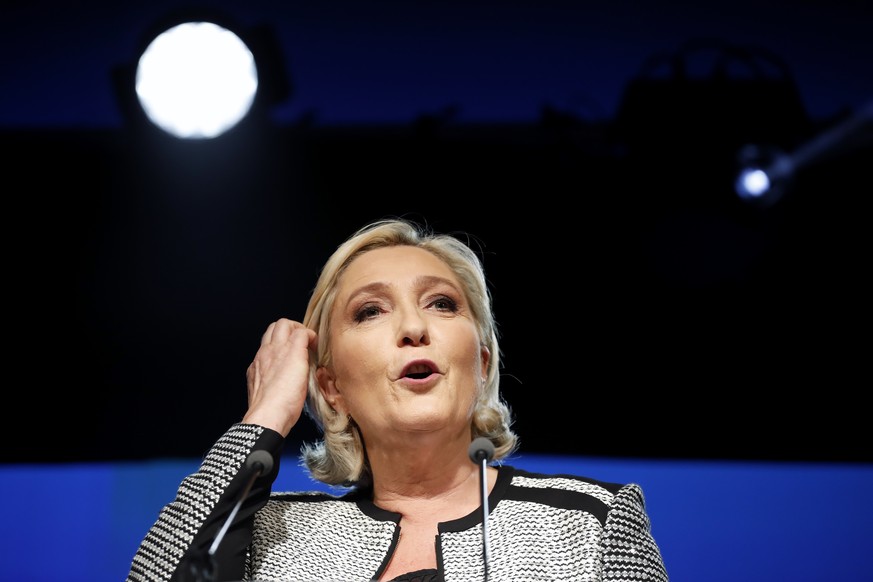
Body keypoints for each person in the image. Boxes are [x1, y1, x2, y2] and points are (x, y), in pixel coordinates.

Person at [125, 217, 669, 582]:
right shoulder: (266, 533)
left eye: (441, 304)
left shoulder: (591, 522)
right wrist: (263, 417)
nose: (413, 327)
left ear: (480, 365)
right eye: (370, 311)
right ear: (332, 386)